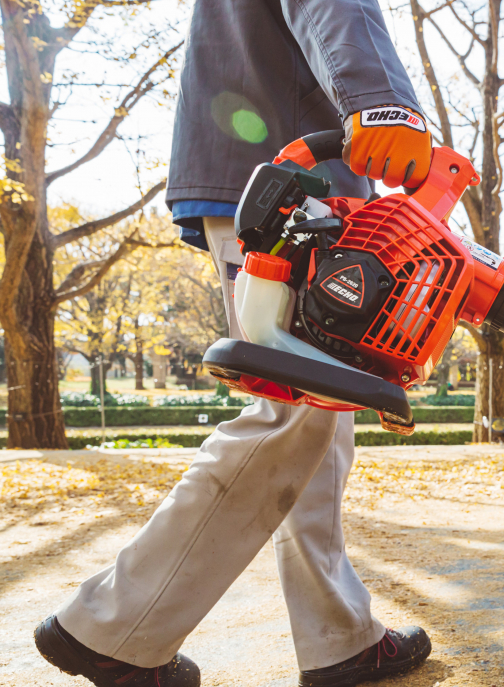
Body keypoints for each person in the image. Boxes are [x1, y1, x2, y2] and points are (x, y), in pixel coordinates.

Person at [34, 1, 433, 685]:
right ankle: (111, 629)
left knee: (318, 421)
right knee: (295, 410)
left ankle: (339, 634)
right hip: (291, 183)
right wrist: (382, 101)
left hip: (269, 175)